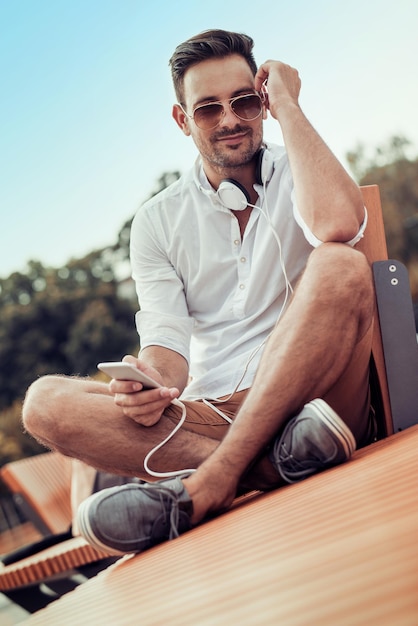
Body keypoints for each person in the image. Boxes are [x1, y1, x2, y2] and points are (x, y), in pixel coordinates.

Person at [22, 29, 375, 556]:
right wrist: (149, 385)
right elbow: (167, 347)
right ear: (182, 120)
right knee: (44, 404)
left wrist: (287, 104)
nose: (230, 119)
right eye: (208, 108)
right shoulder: (157, 222)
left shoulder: (303, 166)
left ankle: (209, 485)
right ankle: (270, 466)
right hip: (216, 411)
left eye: (244, 101)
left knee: (340, 264)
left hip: (317, 401)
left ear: (261, 101)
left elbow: (340, 224)